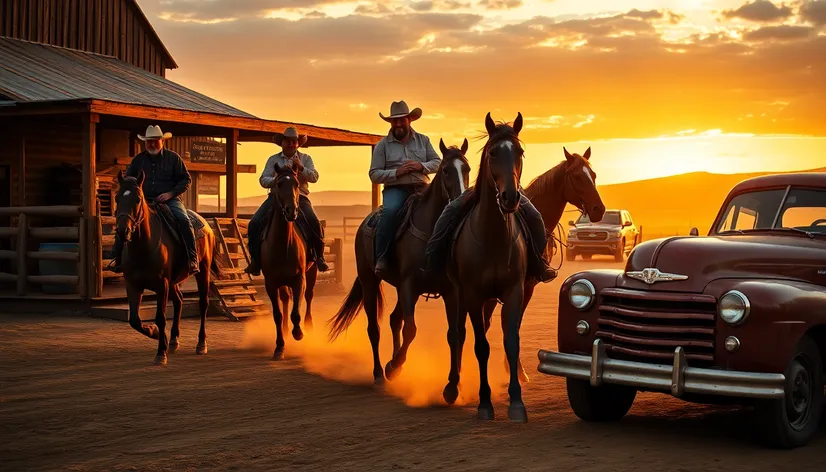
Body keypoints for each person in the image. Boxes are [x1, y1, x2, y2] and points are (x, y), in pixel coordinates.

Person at [108, 125, 199, 275]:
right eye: (149, 141)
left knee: (183, 220)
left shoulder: (173, 158)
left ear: (162, 141)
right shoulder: (138, 160)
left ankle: (192, 258)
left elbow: (186, 180)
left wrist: (170, 194)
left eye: (155, 141)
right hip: (144, 200)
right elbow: (129, 179)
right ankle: (118, 259)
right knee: (124, 220)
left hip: (170, 200)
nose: (152, 144)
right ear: (145, 142)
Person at [423, 182, 557, 283]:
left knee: (535, 216)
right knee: (450, 210)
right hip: (482, 187)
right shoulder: (489, 149)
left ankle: (540, 264)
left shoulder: (514, 147)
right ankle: (433, 259)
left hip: (511, 188)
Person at [369, 100, 442, 277]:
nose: (399, 124)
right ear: (391, 123)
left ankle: (449, 255)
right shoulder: (382, 146)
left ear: (409, 120)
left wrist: (420, 166)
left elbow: (439, 163)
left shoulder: (423, 141)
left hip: (422, 187)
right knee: (390, 212)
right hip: (396, 189)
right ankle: (383, 258)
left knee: (445, 210)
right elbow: (374, 174)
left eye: (402, 120)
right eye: (395, 121)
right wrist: (396, 172)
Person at [245, 127, 329, 276]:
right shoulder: (273, 159)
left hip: (300, 198)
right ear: (282, 143)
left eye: (294, 141)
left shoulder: (306, 158)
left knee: (314, 222)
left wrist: (302, 168)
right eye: (288, 141)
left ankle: (319, 256)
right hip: (276, 198)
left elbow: (314, 177)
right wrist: (276, 180)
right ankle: (256, 260)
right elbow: (263, 179)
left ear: (297, 144)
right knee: (254, 223)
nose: (291, 144)